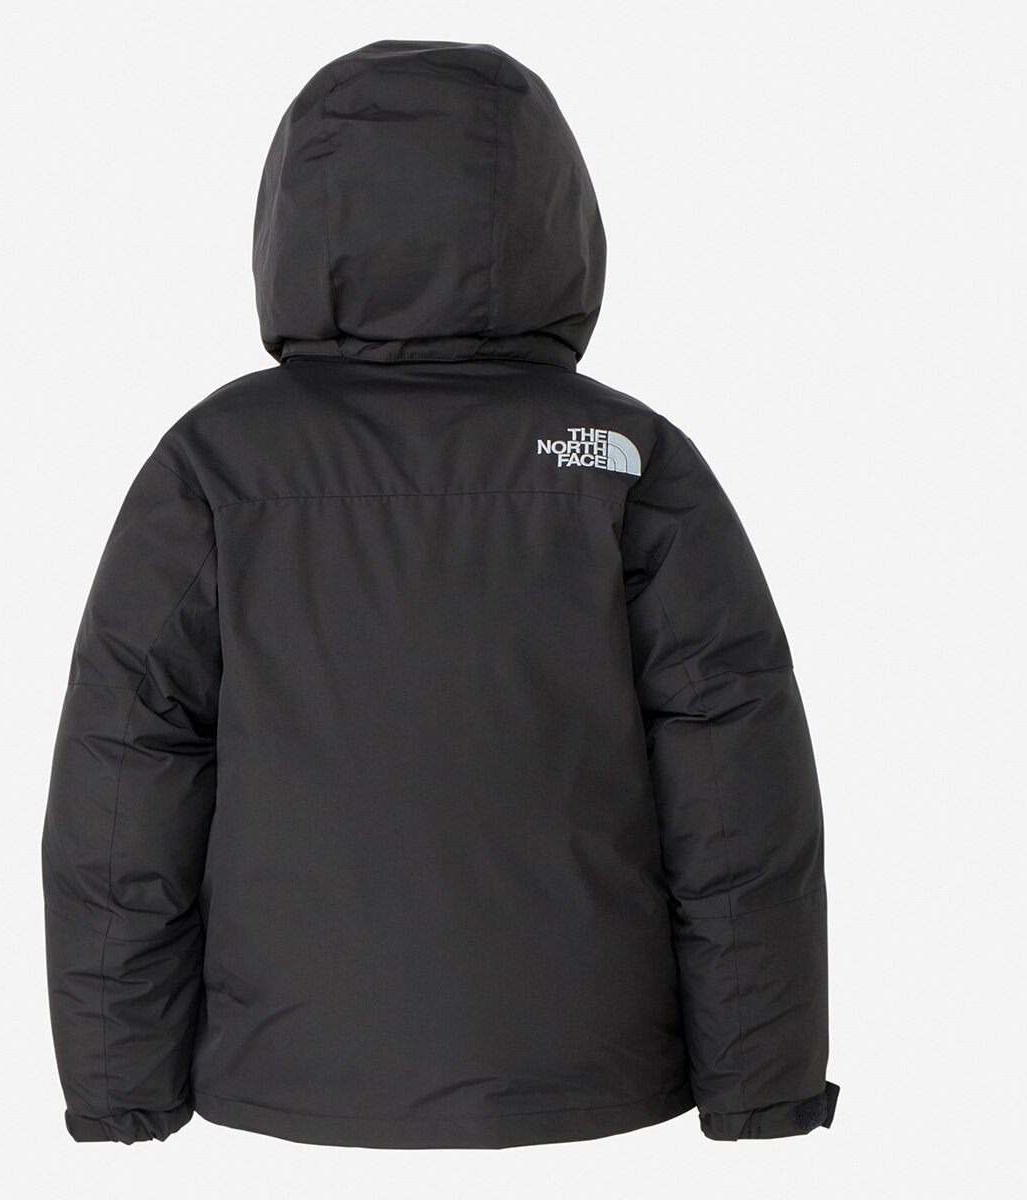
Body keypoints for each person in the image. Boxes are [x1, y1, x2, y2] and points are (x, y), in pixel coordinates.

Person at [43, 39, 837, 1148]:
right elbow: (735, 783)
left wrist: (120, 1087)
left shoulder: (217, 461)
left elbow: (125, 786)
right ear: (557, 217)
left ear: (296, 218)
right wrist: (760, 1087)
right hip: (593, 1079)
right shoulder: (622, 456)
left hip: (287, 1079)